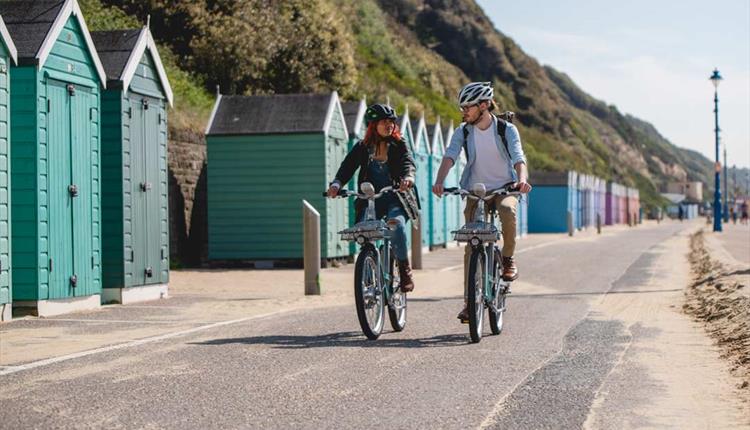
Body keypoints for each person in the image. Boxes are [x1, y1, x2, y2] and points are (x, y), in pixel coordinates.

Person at [432, 82, 532, 321]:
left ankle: (507, 259)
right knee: (472, 244)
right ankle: (469, 303)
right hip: (475, 191)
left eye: (468, 107)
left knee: (508, 211)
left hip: (504, 187)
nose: (463, 111)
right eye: (462, 107)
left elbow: (519, 157)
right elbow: (450, 155)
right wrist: (439, 180)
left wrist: (522, 180)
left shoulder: (506, 129)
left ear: (484, 105)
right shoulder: (463, 131)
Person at [327, 104, 419, 292]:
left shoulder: (399, 144)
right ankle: (368, 271)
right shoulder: (362, 147)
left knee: (396, 225)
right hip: (370, 200)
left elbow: (408, 163)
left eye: (392, 122)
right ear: (373, 125)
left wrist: (408, 178)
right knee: (364, 231)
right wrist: (336, 184)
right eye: (385, 122)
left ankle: (404, 271)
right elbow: (347, 166)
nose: (390, 126)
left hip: (396, 198)